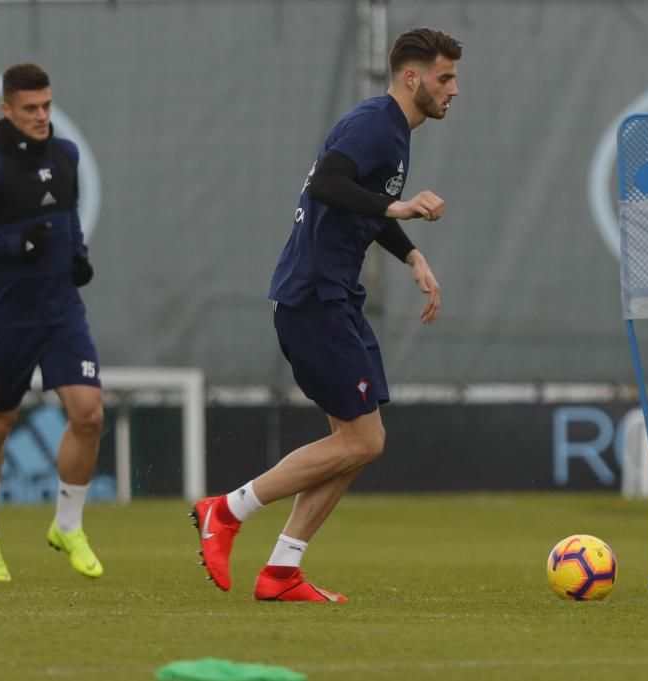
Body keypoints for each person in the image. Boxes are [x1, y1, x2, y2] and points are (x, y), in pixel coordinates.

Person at [190, 27, 462, 602]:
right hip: (315, 296)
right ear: (412, 77)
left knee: (358, 440)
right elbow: (330, 185)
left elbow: (362, 203)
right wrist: (400, 205)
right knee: (362, 441)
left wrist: (412, 254)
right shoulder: (374, 123)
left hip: (332, 294)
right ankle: (226, 510)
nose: (454, 89)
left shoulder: (392, 130)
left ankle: (282, 571)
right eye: (445, 77)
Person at [0, 64, 104, 582]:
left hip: (61, 311)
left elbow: (69, 212)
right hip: (9, 318)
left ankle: (68, 525)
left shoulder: (66, 153)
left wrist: (76, 252)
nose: (41, 116)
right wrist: (13, 244)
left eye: (47, 106)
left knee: (89, 414)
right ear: (6, 109)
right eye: (30, 108)